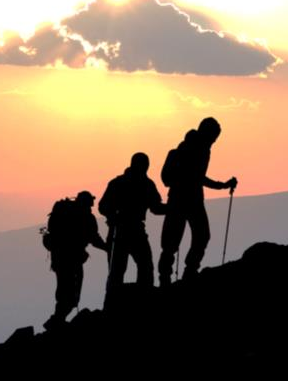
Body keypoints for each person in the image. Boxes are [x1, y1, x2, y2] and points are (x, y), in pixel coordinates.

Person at [158, 118, 238, 285]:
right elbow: (198, 177)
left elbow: (196, 177)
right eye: (214, 136)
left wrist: (221, 185)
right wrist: (222, 185)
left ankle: (169, 277)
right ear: (206, 133)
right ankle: (186, 272)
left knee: (174, 241)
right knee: (194, 237)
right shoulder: (197, 150)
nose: (214, 141)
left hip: (181, 199)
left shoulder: (194, 148)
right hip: (188, 200)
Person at [98, 152, 166, 297]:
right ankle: (139, 299)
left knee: (121, 271)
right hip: (128, 231)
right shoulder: (145, 184)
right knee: (138, 268)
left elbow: (102, 206)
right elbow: (156, 208)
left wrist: (172, 208)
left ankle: (115, 303)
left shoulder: (118, 183)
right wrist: (172, 209)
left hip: (123, 231)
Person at [41, 191, 108, 330]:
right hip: (73, 260)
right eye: (90, 203)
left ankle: (57, 320)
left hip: (59, 258)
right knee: (72, 293)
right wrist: (107, 248)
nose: (92, 207)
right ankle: (56, 321)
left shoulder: (64, 211)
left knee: (63, 289)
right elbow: (94, 238)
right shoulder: (86, 217)